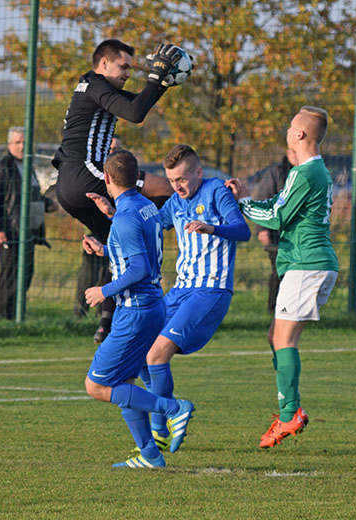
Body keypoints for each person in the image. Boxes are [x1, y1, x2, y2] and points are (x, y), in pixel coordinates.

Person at [88, 144, 250, 451]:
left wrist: (212, 228)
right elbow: (146, 229)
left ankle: (162, 425)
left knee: (156, 354)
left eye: (183, 179)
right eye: (172, 180)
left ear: (199, 172)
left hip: (211, 289)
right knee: (140, 354)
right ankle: (164, 421)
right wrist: (111, 223)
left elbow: (243, 231)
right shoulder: (175, 202)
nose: (177, 186)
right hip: (180, 290)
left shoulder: (216, 191)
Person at [225, 106, 339, 449]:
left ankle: (290, 414)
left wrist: (244, 203)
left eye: (291, 126)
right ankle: (289, 410)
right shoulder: (308, 171)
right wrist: (248, 198)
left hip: (306, 264)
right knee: (275, 336)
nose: (287, 130)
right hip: (306, 264)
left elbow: (276, 217)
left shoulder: (306, 172)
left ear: (299, 134)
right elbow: (278, 203)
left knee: (284, 340)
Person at [53, 39, 178, 343]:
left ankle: (107, 324)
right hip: (88, 175)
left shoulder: (95, 87)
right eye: (123, 67)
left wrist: (162, 83)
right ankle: (168, 225)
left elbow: (139, 104)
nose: (128, 73)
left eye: (130, 69)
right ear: (104, 63)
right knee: (165, 188)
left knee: (118, 245)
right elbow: (135, 113)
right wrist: (156, 75)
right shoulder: (95, 85)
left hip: (69, 186)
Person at [81, 150, 194, 469]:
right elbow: (136, 249)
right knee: (125, 382)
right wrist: (105, 248)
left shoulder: (126, 217)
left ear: (106, 178)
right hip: (150, 307)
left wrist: (103, 290)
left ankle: (173, 409)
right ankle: (150, 455)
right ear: (137, 177)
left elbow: (139, 268)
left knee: (97, 385)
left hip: (136, 312)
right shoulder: (144, 207)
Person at [0, 126, 58, 320]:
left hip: (29, 232)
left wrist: (46, 204)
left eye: (25, 142)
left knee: (26, 273)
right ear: (9, 144)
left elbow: (29, 196)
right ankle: (4, 318)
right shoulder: (2, 167)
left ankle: (18, 316)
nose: (21, 146)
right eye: (17, 142)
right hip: (11, 231)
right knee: (10, 275)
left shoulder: (27, 166)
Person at [72, 135, 124, 318]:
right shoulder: (95, 174)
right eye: (111, 149)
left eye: (117, 149)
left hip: (117, 233)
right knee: (89, 273)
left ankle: (103, 315)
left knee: (109, 274)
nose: (114, 152)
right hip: (97, 232)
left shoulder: (124, 176)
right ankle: (79, 313)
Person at [253, 149, 296, 317]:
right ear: (287, 152)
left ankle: (294, 312)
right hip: (277, 235)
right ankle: (274, 311)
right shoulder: (275, 173)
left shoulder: (309, 173)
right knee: (279, 273)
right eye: (293, 152)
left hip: (300, 236)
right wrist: (262, 229)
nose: (296, 155)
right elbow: (263, 201)